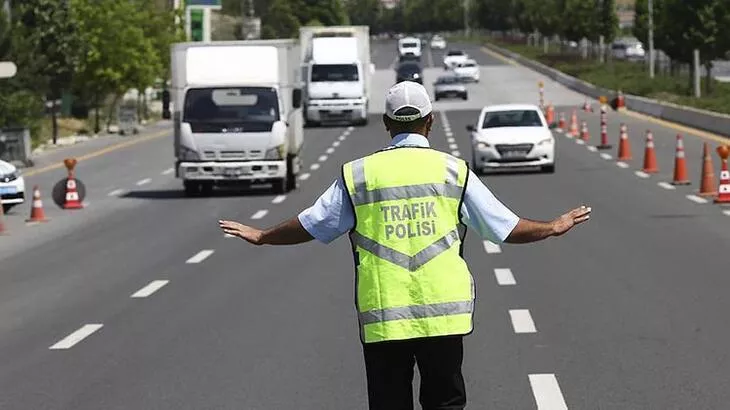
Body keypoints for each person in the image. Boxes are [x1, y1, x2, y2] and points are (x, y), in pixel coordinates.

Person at [219, 81, 591, 410]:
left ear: (386, 124)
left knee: (389, 402)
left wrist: (263, 235)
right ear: (429, 122)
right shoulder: (452, 171)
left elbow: (313, 224)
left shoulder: (360, 174)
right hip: (443, 316)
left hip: (385, 315)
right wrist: (552, 226)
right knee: (445, 402)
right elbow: (504, 228)